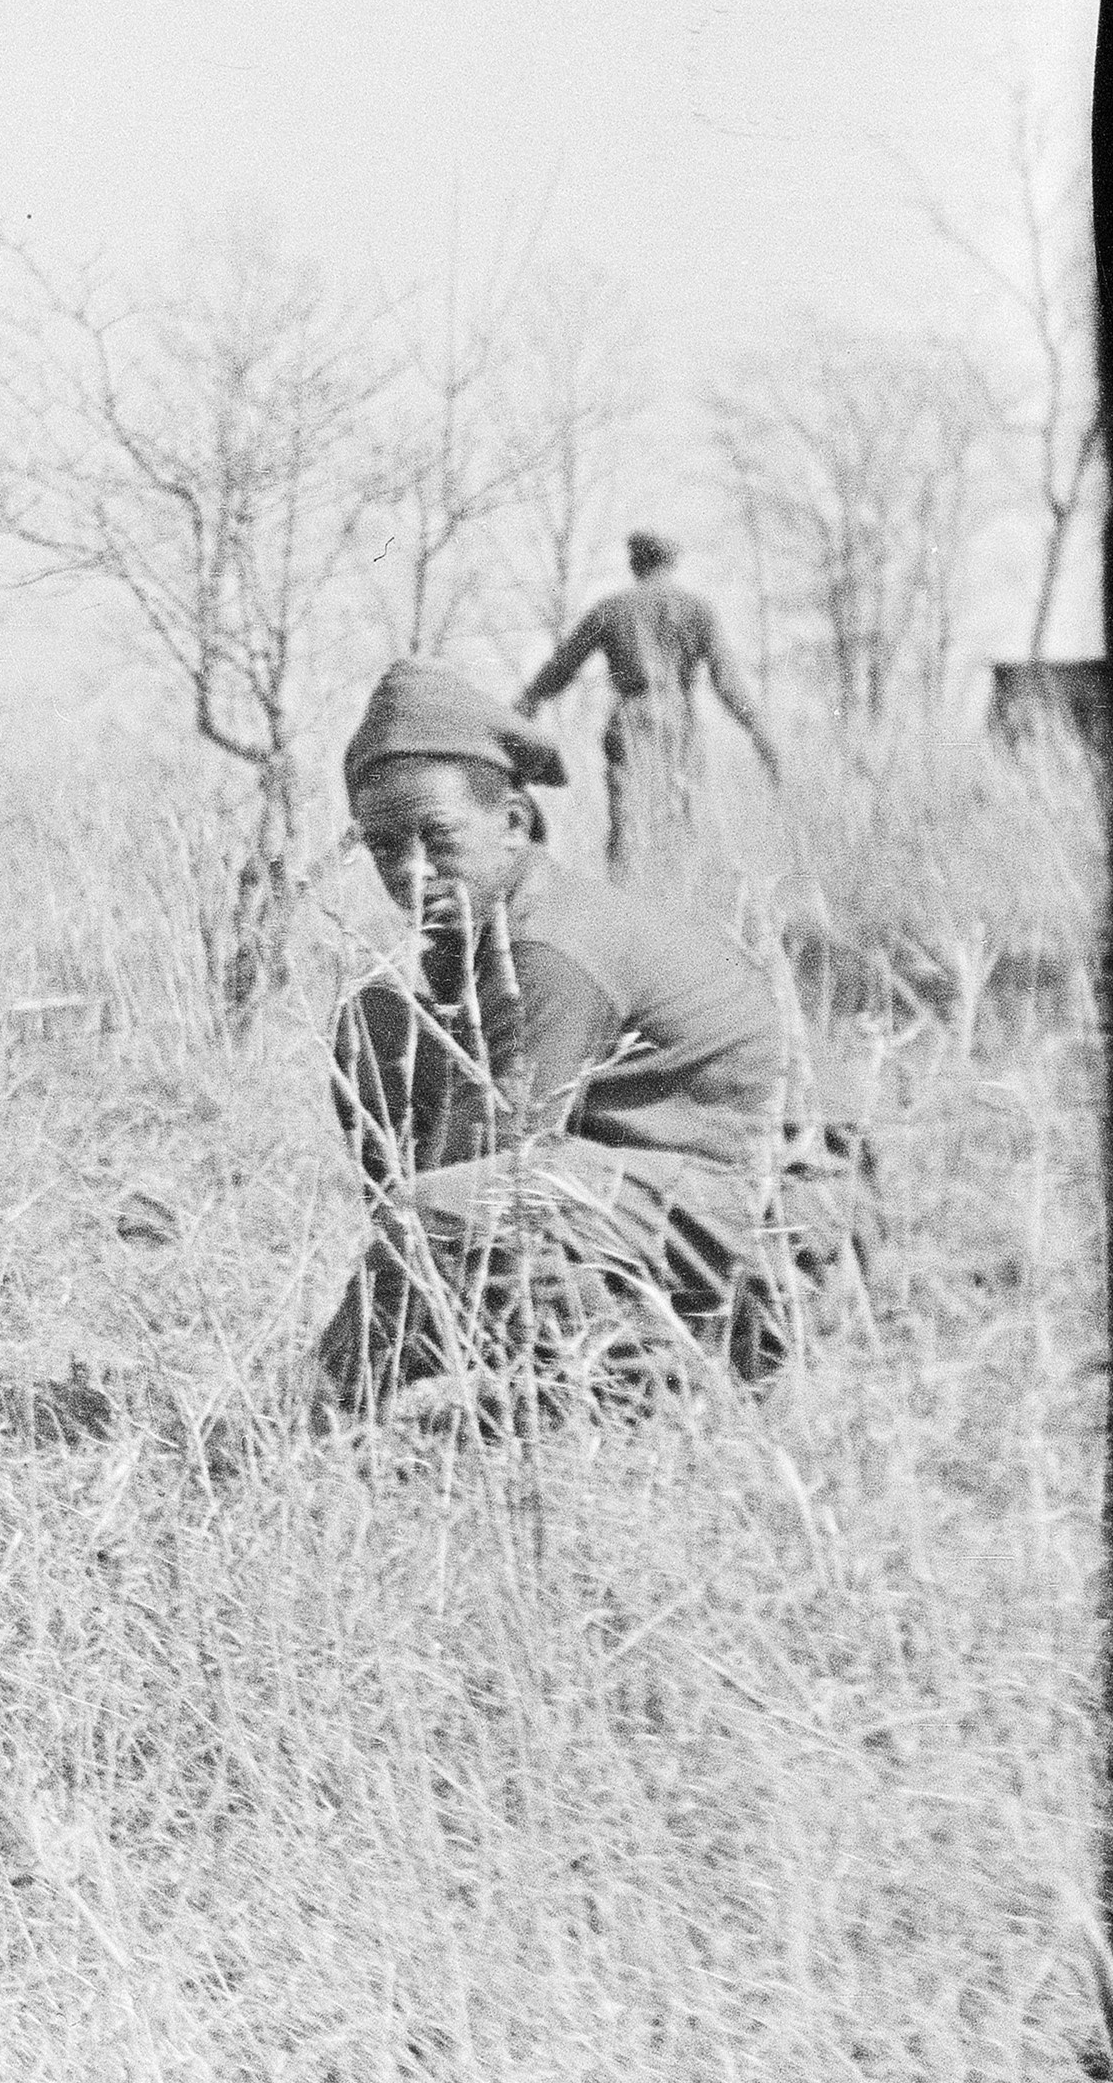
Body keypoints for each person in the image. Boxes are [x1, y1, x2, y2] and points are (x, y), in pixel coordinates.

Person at [310, 659, 858, 1422]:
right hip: (666, 1197)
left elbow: (473, 1175)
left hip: (773, 1234)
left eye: (437, 839)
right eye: (382, 848)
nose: (411, 873)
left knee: (443, 1214)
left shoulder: (550, 948)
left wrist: (323, 1388)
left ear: (511, 824)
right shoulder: (488, 924)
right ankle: (551, 1346)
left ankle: (645, 1380)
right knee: (374, 1025)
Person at [521, 533, 780, 876]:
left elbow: (563, 666)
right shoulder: (697, 608)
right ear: (672, 563)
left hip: (630, 718)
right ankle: (678, 898)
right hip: (679, 719)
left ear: (634, 563)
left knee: (626, 822)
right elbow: (727, 680)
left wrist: (529, 700)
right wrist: (758, 730)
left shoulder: (611, 607)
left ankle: (625, 902)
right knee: (683, 815)